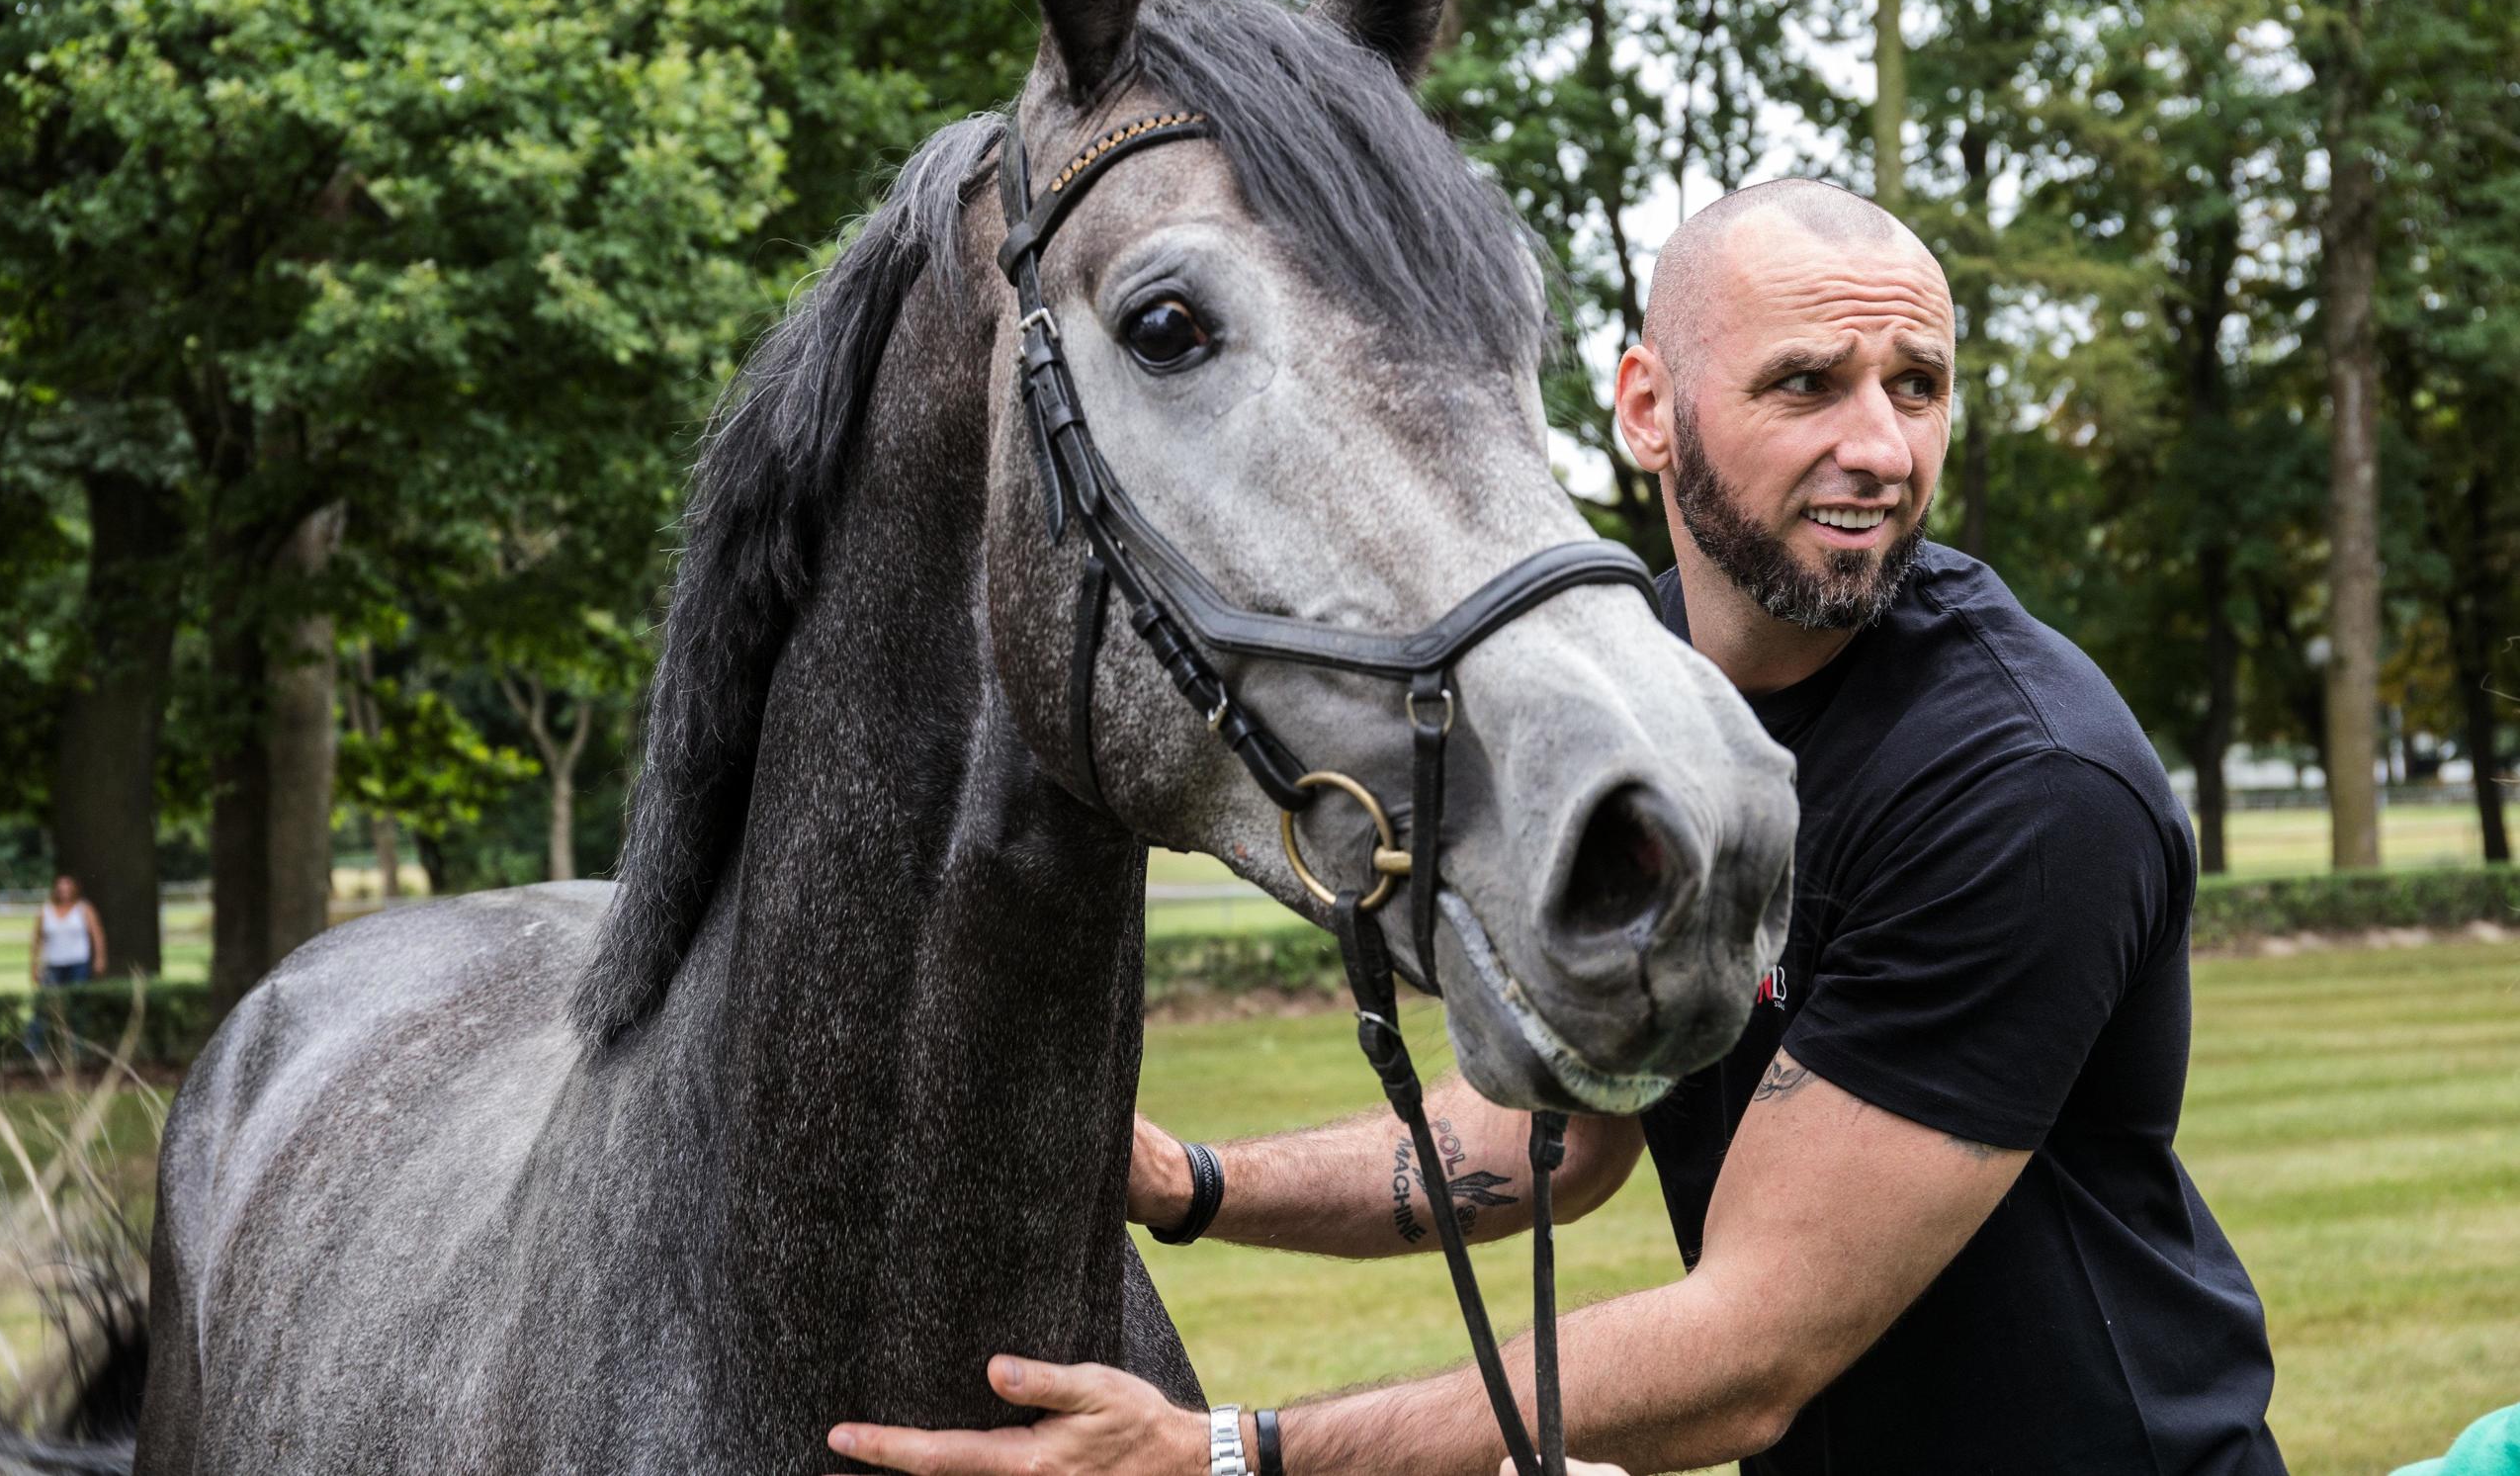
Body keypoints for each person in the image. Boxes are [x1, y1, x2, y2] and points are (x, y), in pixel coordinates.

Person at [828, 180, 2282, 1476]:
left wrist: (1229, 1454)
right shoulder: (1643, 691)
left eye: (1918, 385)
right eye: (1807, 383)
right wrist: (1193, 1185)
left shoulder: (2020, 786)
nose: (1881, 447)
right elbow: (1562, 1139)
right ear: (1647, 407)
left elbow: (1745, 1356)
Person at [24, 873, 108, 1061]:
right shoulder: (45, 911)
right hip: (53, 964)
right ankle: (32, 1045)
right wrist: (34, 966)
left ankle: (76, 1047)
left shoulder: (83, 909)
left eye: (68, 886)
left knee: (77, 1004)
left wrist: (99, 958)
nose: (64, 890)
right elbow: (36, 940)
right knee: (45, 1005)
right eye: (60, 886)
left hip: (78, 963)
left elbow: (97, 934)